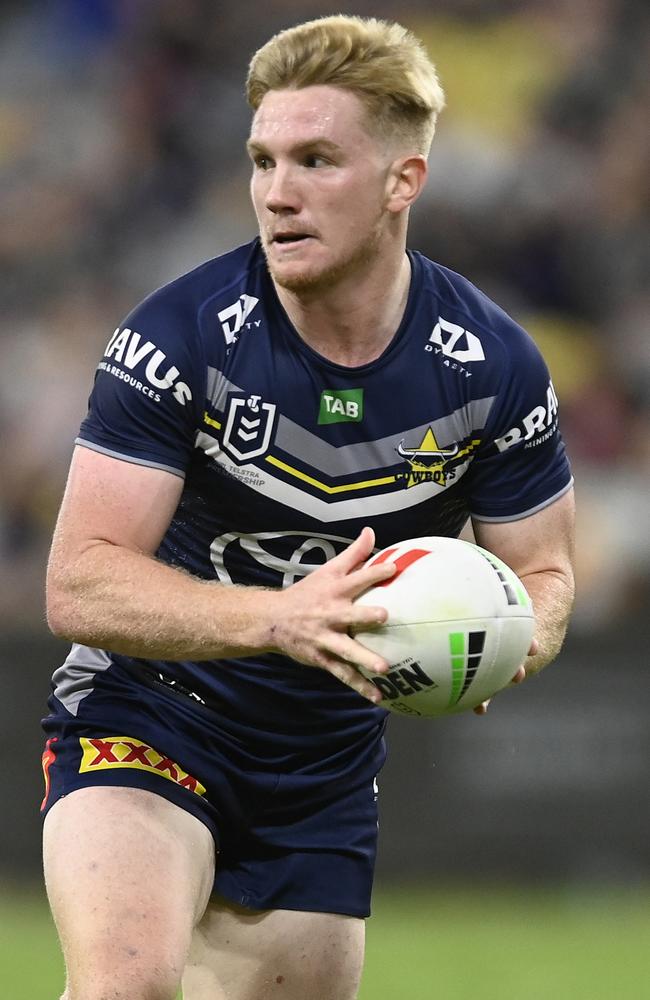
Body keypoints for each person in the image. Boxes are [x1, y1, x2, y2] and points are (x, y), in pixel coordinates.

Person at [41, 14, 575, 1000]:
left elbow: (542, 569)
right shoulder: (180, 338)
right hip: (153, 709)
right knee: (130, 986)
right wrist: (276, 617)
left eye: (316, 160)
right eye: (262, 159)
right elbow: (78, 582)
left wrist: (511, 638)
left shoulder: (492, 365)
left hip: (321, 761)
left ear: (399, 183)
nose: (276, 193)